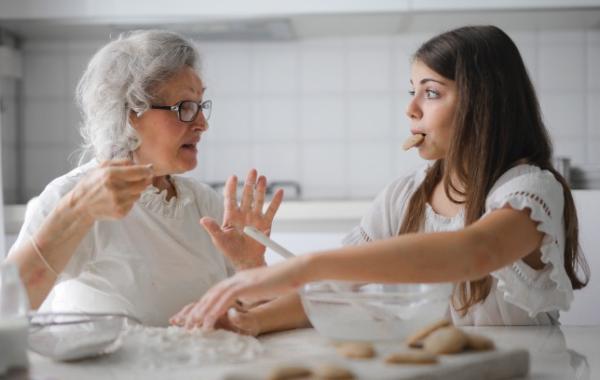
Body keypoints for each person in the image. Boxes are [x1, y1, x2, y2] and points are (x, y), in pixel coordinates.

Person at [172, 25, 589, 331]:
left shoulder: (530, 191)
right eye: (412, 91)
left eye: (431, 92)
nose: (411, 109)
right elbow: (338, 289)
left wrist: (307, 264)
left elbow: (475, 251)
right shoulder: (404, 196)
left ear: (484, 104)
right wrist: (252, 318)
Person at [4, 30, 283, 326]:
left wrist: (250, 266)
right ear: (129, 112)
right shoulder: (72, 195)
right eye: (185, 108)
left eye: (201, 106)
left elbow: (253, 317)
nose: (203, 124)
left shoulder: (203, 203)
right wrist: (76, 212)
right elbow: (7, 307)